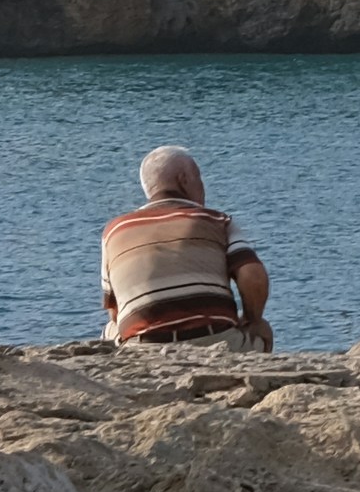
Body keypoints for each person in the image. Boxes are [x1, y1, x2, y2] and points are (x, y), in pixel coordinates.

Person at [99, 146, 270, 348]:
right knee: (263, 330)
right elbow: (254, 277)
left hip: (142, 346)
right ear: (184, 180)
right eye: (199, 178)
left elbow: (115, 310)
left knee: (111, 328)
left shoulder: (115, 230)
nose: (202, 185)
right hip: (215, 340)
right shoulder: (217, 221)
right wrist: (253, 319)